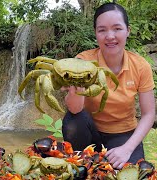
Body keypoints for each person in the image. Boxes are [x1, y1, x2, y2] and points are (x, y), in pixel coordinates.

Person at [61, 2, 155, 169]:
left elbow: (148, 114)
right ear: (96, 33)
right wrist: (75, 90)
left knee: (132, 172)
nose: (109, 36)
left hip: (124, 134)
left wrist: (127, 149)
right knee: (73, 120)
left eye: (117, 29)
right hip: (89, 130)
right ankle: (81, 163)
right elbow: (75, 110)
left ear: (128, 31)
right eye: (102, 30)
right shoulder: (83, 62)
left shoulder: (140, 66)